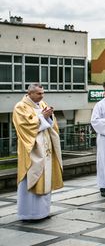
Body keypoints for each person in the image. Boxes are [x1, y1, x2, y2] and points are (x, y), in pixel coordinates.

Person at [13, 83, 63, 221]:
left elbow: (53, 124)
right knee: (31, 177)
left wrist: (49, 117)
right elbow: (24, 127)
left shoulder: (42, 104)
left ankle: (43, 212)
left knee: (45, 179)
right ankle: (28, 214)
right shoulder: (20, 107)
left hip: (45, 146)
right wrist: (42, 117)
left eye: (43, 93)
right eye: (39, 93)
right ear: (30, 93)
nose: (42, 96)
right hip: (31, 149)